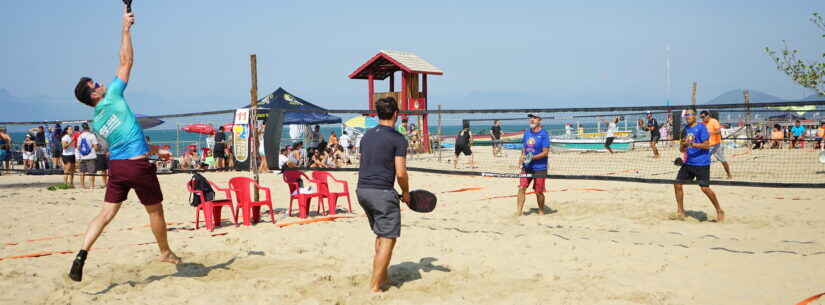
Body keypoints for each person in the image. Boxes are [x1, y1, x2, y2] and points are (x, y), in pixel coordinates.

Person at [69, 7, 180, 282]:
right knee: (155, 210)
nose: (102, 82)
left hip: (117, 167)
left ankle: (82, 253)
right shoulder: (113, 96)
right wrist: (126, 29)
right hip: (136, 165)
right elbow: (126, 59)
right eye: (96, 82)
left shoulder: (95, 122)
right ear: (93, 93)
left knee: (105, 214)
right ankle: (165, 252)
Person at [357, 97, 410, 293]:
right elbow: (401, 173)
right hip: (382, 192)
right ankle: (374, 287)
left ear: (378, 114)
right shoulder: (398, 139)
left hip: (362, 191)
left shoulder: (366, 136)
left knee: (381, 234)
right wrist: (405, 192)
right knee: (388, 238)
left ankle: (381, 277)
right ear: (396, 114)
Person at [673, 109, 724, 222]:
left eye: (689, 114)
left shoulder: (701, 127)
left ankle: (719, 210)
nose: (687, 116)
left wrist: (692, 144)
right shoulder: (685, 129)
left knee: (705, 188)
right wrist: (683, 146)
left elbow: (706, 146)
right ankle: (680, 210)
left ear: (695, 116)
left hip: (702, 163)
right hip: (689, 163)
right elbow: (681, 148)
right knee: (677, 184)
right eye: (686, 115)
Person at [516, 114, 551, 216]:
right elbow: (524, 147)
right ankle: (518, 212)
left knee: (538, 192)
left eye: (534, 118)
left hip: (540, 167)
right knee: (522, 187)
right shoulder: (527, 133)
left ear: (539, 120)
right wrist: (521, 156)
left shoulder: (544, 134)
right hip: (527, 167)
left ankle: (541, 211)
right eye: (531, 118)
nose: (532, 120)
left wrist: (532, 158)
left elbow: (545, 152)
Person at [700, 111, 732, 179]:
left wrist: (710, 133)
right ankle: (702, 175)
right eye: (701, 117)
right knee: (703, 160)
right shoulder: (702, 123)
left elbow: (719, 131)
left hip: (717, 145)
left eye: (703, 117)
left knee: (722, 160)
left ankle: (729, 174)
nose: (702, 118)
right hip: (707, 146)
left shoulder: (714, 121)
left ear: (707, 116)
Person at [77, 123, 99, 189]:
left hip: (83, 156)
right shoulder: (92, 135)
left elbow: (78, 147)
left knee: (82, 171)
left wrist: (83, 152)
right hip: (91, 156)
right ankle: (91, 185)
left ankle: (82, 185)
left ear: (82, 129)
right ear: (88, 128)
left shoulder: (80, 136)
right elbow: (95, 147)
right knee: (91, 172)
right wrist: (94, 148)